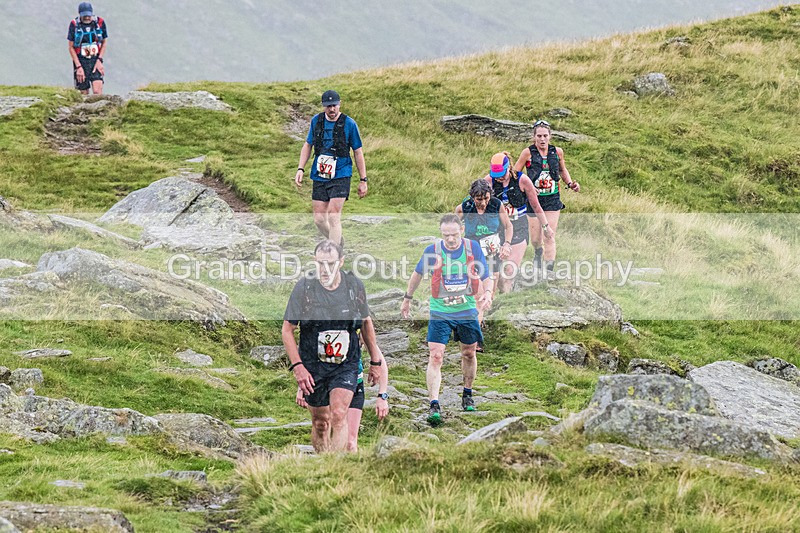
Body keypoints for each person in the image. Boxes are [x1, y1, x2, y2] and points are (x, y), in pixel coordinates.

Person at [282, 240, 387, 452]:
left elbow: (366, 323)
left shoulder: (353, 286)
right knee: (321, 423)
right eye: (320, 263)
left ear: (340, 262)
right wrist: (299, 368)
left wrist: (375, 361)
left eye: (330, 263)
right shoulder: (305, 288)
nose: (324, 269)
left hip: (345, 363)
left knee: (339, 414)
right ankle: (324, 465)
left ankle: (336, 468)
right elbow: (287, 330)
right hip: (313, 364)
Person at [401, 214, 493, 426]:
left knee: (468, 353)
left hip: (467, 310)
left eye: (454, 235)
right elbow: (417, 274)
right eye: (446, 235)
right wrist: (407, 298)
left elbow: (486, 275)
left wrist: (487, 293)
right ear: (441, 233)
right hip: (440, 310)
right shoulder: (432, 251)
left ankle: (467, 393)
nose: (450, 239)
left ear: (461, 230)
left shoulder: (472, 248)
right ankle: (434, 403)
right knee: (436, 356)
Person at [294, 90, 368, 246]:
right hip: (320, 174)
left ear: (339, 104)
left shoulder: (349, 124)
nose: (332, 110)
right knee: (319, 219)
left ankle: (334, 254)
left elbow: (357, 152)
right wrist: (300, 168)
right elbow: (308, 145)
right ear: (323, 106)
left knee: (334, 216)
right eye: (328, 106)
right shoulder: (316, 121)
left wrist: (363, 180)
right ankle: (337, 242)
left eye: (334, 105)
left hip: (341, 174)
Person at [296, 337, 389, 452]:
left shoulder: (357, 327)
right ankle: (326, 465)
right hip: (324, 383)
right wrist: (301, 388)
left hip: (354, 386)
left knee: (350, 443)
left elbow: (380, 361)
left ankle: (346, 467)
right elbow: (308, 357)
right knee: (322, 426)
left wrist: (382, 395)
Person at [514, 120, 580, 272]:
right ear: (534, 137)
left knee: (549, 235)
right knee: (536, 239)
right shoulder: (527, 153)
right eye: (539, 136)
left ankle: (548, 272)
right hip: (533, 200)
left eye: (545, 136)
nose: (542, 139)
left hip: (552, 198)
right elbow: (515, 174)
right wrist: (528, 188)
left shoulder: (557, 152)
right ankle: (538, 252)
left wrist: (570, 183)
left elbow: (563, 170)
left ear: (550, 136)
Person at [483, 152, 552, 291]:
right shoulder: (488, 181)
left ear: (508, 167)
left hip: (519, 227)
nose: (499, 178)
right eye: (496, 176)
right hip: (496, 229)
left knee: (509, 270)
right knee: (495, 272)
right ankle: (500, 296)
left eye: (502, 174)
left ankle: (506, 301)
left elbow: (536, 205)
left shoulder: (522, 180)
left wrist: (546, 227)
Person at [454, 179, 512, 326]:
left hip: (492, 251)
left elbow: (508, 226)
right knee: (477, 289)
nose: (484, 203)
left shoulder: (496, 204)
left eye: (486, 198)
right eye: (479, 199)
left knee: (490, 290)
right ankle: (474, 324)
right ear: (472, 197)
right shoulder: (464, 207)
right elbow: (452, 225)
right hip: (472, 252)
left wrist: (506, 244)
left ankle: (482, 319)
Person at [67, 2, 107, 95]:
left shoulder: (100, 23)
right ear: (80, 14)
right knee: (83, 94)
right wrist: (78, 67)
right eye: (84, 16)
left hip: (95, 59)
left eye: (89, 15)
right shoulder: (74, 24)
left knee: (97, 92)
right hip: (81, 60)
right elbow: (71, 47)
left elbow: (104, 42)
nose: (87, 17)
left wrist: (99, 60)